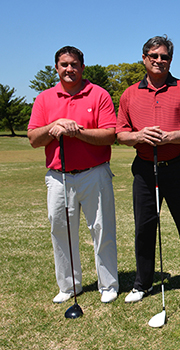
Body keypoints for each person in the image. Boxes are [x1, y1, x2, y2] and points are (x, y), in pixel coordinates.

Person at [116, 35, 180, 304]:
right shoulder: (129, 94)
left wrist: (170, 137)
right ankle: (142, 284)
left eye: (164, 56)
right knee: (144, 228)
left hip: (179, 167)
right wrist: (139, 136)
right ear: (144, 58)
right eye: (154, 56)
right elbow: (120, 133)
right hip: (145, 169)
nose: (159, 61)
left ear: (171, 59)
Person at [27, 46, 119, 304]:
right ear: (57, 68)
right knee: (61, 231)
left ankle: (108, 284)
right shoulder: (44, 98)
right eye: (64, 64)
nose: (69, 69)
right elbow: (34, 138)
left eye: (74, 64)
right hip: (58, 176)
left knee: (102, 229)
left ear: (82, 67)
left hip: (95, 172)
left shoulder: (98, 94)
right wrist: (54, 127)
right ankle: (68, 286)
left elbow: (109, 135)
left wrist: (76, 131)